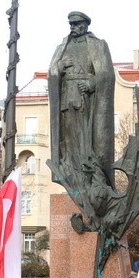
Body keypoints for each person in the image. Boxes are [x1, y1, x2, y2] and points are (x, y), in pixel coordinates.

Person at [48, 11, 115, 185]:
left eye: (76, 24)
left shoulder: (97, 45)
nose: (73, 27)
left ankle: (87, 173)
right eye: (71, 24)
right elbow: (52, 71)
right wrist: (60, 67)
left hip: (86, 98)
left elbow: (106, 74)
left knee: (85, 137)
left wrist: (92, 84)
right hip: (66, 97)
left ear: (85, 25)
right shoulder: (62, 47)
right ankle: (72, 170)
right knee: (69, 138)